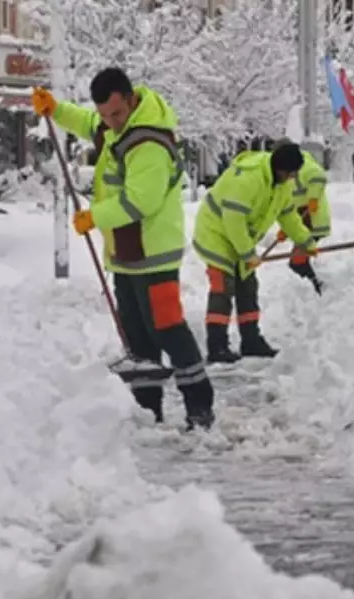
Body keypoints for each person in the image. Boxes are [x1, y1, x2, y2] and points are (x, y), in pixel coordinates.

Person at [32, 67, 215, 430]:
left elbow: (140, 202)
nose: (110, 122)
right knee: (136, 337)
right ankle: (148, 409)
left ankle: (199, 406)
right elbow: (89, 124)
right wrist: (56, 110)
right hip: (127, 257)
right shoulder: (117, 127)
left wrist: (94, 217)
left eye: (116, 113)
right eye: (105, 115)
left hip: (155, 257)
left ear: (131, 100)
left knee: (168, 330)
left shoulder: (147, 143)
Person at [192, 143, 318, 363]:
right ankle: (217, 346)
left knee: (248, 285)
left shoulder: (281, 185)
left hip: (239, 238)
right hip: (216, 233)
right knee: (223, 286)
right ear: (281, 168)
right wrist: (248, 254)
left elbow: (287, 214)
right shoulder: (248, 179)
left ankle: (251, 341)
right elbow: (233, 219)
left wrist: (304, 240)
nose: (292, 178)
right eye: (290, 173)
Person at [277, 144, 330, 295]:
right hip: (302, 223)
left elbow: (318, 177)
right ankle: (314, 290)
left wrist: (313, 197)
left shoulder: (305, 165)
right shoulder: (286, 176)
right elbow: (289, 206)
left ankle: (316, 290)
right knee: (297, 262)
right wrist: (285, 230)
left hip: (314, 220)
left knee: (297, 262)